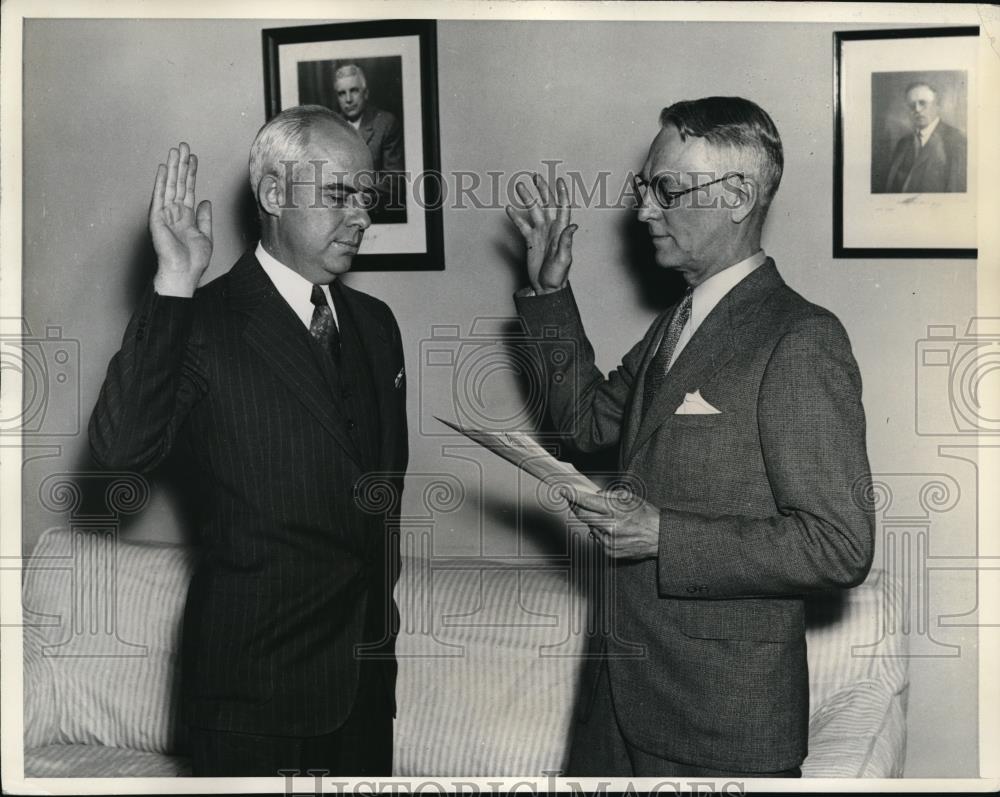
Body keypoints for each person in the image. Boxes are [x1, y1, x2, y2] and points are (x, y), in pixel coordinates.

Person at [505, 96, 875, 777]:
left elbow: (839, 544)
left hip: (717, 728)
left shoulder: (799, 338)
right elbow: (586, 424)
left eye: (665, 189)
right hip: (617, 703)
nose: (644, 210)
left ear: (737, 194)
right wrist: (549, 292)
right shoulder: (679, 323)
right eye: (646, 188)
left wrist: (664, 535)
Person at [89, 105, 408, 776]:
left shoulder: (378, 326)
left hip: (366, 697)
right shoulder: (201, 321)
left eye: (367, 198)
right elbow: (119, 454)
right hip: (252, 703)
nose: (361, 217)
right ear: (272, 194)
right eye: (338, 195)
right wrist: (174, 284)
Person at [883, 81, 967, 193]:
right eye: (912, 105)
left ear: (937, 105)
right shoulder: (903, 143)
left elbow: (956, 191)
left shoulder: (956, 140)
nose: (917, 109)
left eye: (922, 103)